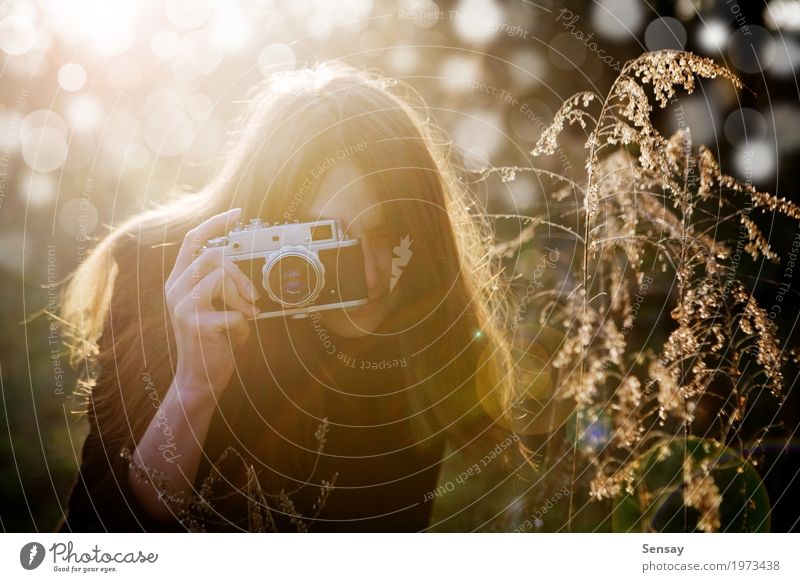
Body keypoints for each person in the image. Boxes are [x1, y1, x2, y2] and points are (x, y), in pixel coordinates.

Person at [56, 62, 561, 532]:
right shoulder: (160, 275)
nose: (369, 276)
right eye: (331, 241)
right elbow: (100, 533)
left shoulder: (418, 318)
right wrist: (193, 387)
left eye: (387, 235)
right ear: (263, 231)